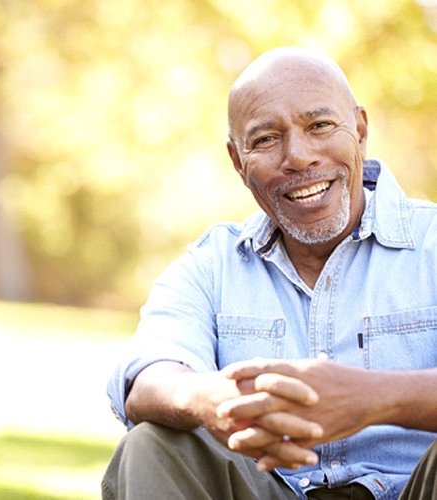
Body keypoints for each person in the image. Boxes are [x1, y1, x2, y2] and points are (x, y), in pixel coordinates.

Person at [102, 47, 437, 499]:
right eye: (265, 140)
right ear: (238, 162)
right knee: (153, 443)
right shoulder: (212, 263)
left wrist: (375, 397)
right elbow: (147, 378)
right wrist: (208, 399)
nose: (298, 157)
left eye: (319, 125)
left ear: (359, 131)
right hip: (269, 489)